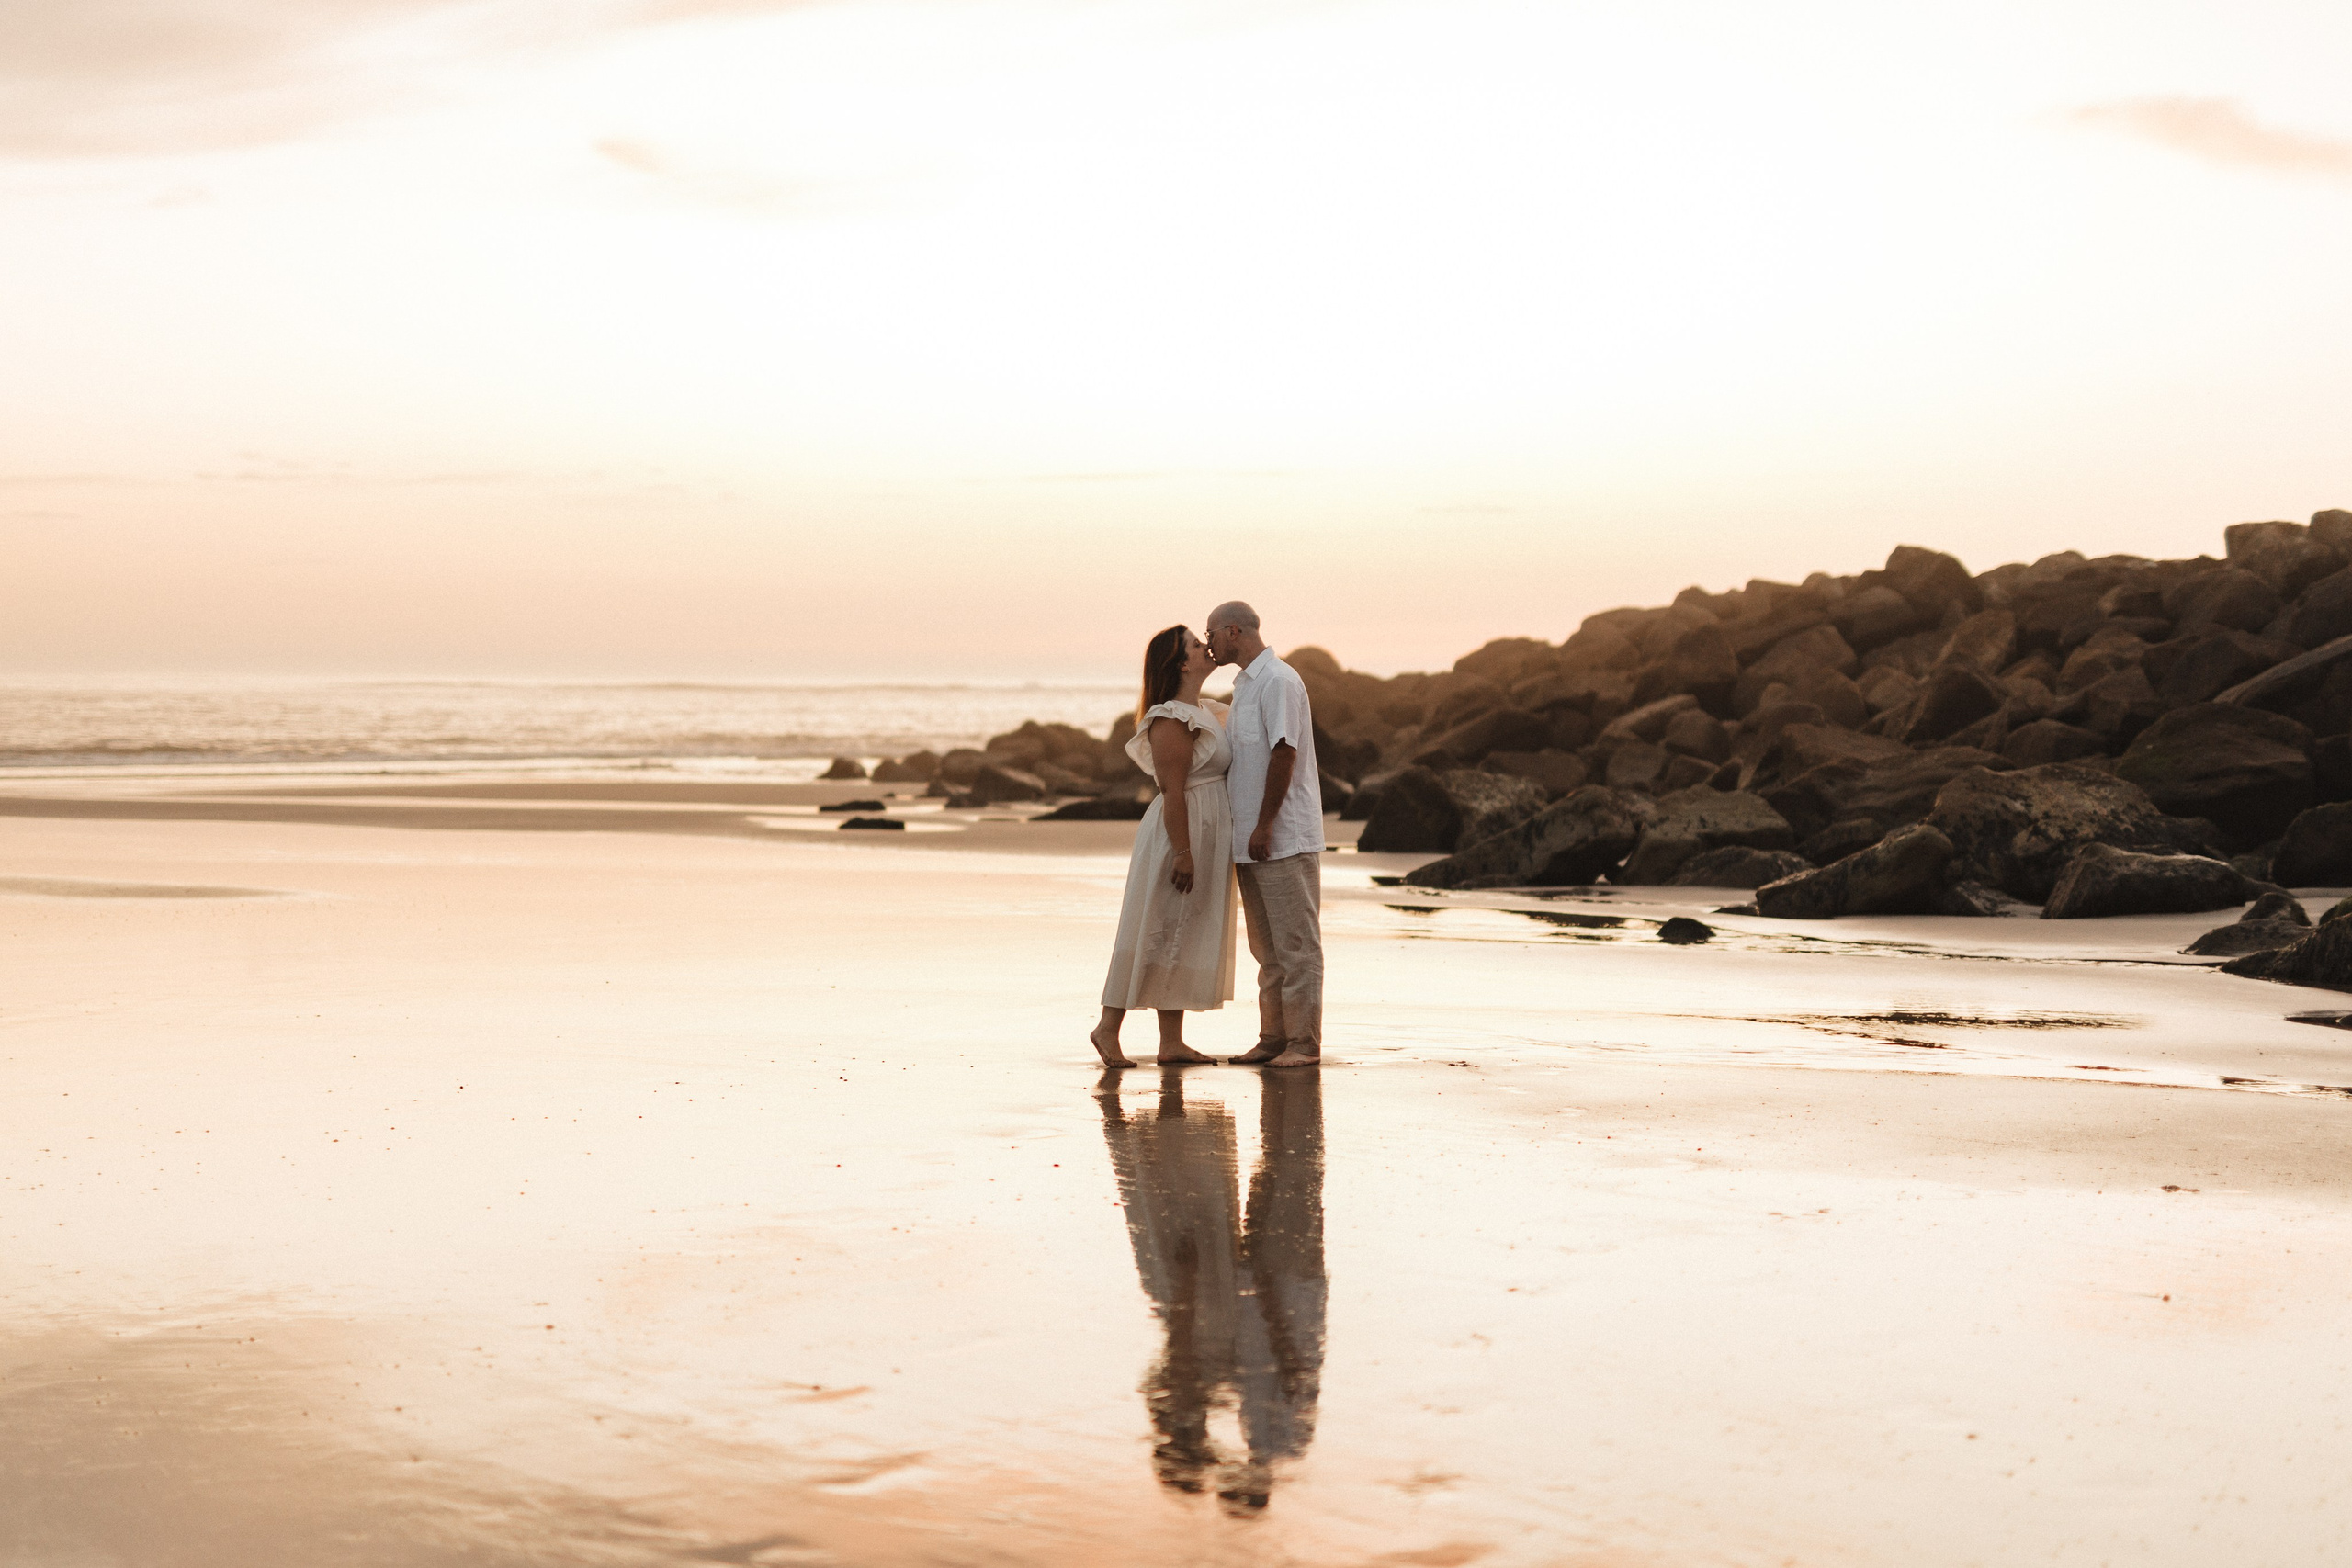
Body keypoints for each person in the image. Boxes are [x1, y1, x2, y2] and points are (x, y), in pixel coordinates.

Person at [1091, 626, 1238, 1068]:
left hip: (1203, 830)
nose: (1205, 647)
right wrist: (1183, 852)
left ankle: (1171, 1043)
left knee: (1181, 931)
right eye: (1195, 644)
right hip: (1180, 831)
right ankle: (1107, 1028)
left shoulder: (1205, 710)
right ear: (1181, 664)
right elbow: (1172, 791)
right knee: (1153, 926)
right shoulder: (1172, 717)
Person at [1204, 602, 1325, 1068]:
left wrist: (1265, 823)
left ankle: (1304, 1044)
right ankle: (1273, 1038)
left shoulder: (1278, 681)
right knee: (1267, 950)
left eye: (1211, 634)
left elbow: (1284, 753)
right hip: (1251, 841)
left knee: (1297, 947)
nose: (1209, 644)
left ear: (1233, 631)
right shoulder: (1246, 686)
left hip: (1282, 837)